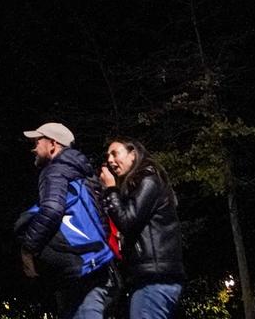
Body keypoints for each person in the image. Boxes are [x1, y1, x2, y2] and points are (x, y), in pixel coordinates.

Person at [16, 123, 111, 319]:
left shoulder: (55, 171)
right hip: (98, 263)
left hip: (79, 268)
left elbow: (51, 210)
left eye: (37, 141)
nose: (33, 147)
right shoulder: (84, 173)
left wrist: (28, 249)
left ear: (53, 144)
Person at [100, 138, 185, 319]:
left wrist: (110, 190)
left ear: (133, 154)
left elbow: (127, 221)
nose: (110, 160)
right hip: (150, 279)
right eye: (108, 156)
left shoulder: (148, 180)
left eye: (115, 153)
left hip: (155, 279)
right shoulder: (138, 185)